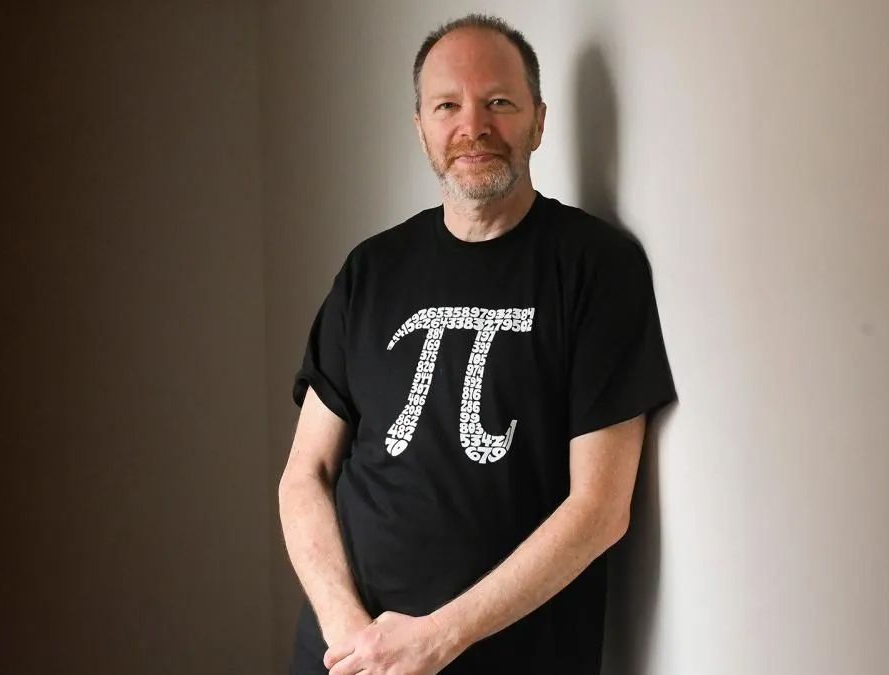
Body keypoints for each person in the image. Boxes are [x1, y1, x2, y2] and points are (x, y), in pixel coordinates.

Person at [279, 13, 676, 675]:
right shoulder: (370, 270)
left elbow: (600, 509)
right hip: (349, 657)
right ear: (421, 129)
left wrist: (435, 640)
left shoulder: (597, 267)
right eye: (447, 106)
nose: (474, 126)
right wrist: (351, 635)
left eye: (499, 102)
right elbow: (305, 474)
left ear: (538, 122)